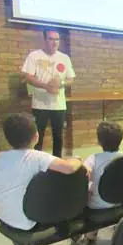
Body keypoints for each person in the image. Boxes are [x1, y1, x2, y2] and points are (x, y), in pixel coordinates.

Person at [0, 113, 82, 233]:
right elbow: (69, 168)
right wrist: (77, 159)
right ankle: (71, 231)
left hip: (2, 216)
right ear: (36, 136)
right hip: (26, 221)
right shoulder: (36, 156)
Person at [22, 28, 75, 157]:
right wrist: (46, 86)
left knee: (58, 136)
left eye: (57, 39)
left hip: (58, 105)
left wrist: (60, 84)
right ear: (45, 40)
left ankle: (57, 162)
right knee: (37, 135)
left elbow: (71, 79)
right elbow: (28, 77)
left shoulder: (64, 57)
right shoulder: (34, 55)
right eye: (51, 39)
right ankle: (37, 162)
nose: (54, 42)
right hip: (40, 104)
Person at [74, 121, 123, 245]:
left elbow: (84, 176)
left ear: (99, 142)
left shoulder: (93, 158)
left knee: (85, 194)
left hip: (98, 206)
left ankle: (87, 234)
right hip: (122, 203)